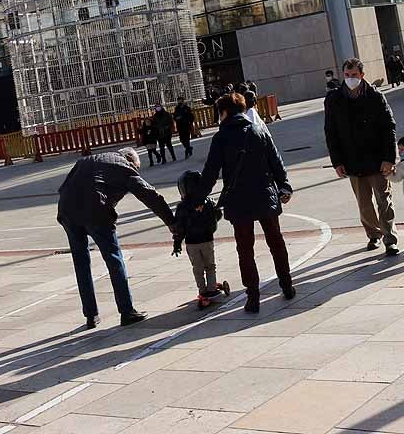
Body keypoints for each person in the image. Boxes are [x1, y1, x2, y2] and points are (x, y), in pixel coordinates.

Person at [194, 92, 295, 312]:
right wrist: (284, 186)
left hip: (239, 200)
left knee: (245, 249)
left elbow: (210, 172)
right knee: (276, 242)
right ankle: (287, 285)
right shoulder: (259, 130)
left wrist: (199, 198)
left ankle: (252, 296)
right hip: (265, 194)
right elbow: (276, 161)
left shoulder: (221, 138)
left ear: (224, 112)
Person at [56, 147, 176, 328]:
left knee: (81, 263)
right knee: (114, 259)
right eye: (136, 168)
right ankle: (126, 311)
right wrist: (171, 222)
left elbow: (64, 186)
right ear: (131, 161)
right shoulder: (123, 165)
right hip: (95, 210)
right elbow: (149, 194)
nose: (135, 171)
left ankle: (91, 315)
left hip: (67, 210)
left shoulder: (88, 160)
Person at [324, 57, 399, 255]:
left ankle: (390, 238)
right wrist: (337, 161)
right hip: (352, 160)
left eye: (354, 75)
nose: (350, 79)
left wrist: (389, 158)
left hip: (377, 159)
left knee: (384, 199)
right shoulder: (334, 99)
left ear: (362, 75)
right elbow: (330, 132)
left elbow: (389, 127)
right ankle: (374, 235)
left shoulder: (375, 96)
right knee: (364, 203)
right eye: (347, 75)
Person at [171, 170, 230, 308]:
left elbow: (179, 228)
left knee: (197, 268)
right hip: (207, 239)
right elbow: (218, 214)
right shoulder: (209, 202)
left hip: (191, 242)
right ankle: (211, 289)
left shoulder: (182, 207)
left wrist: (177, 243)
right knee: (210, 265)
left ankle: (202, 290)